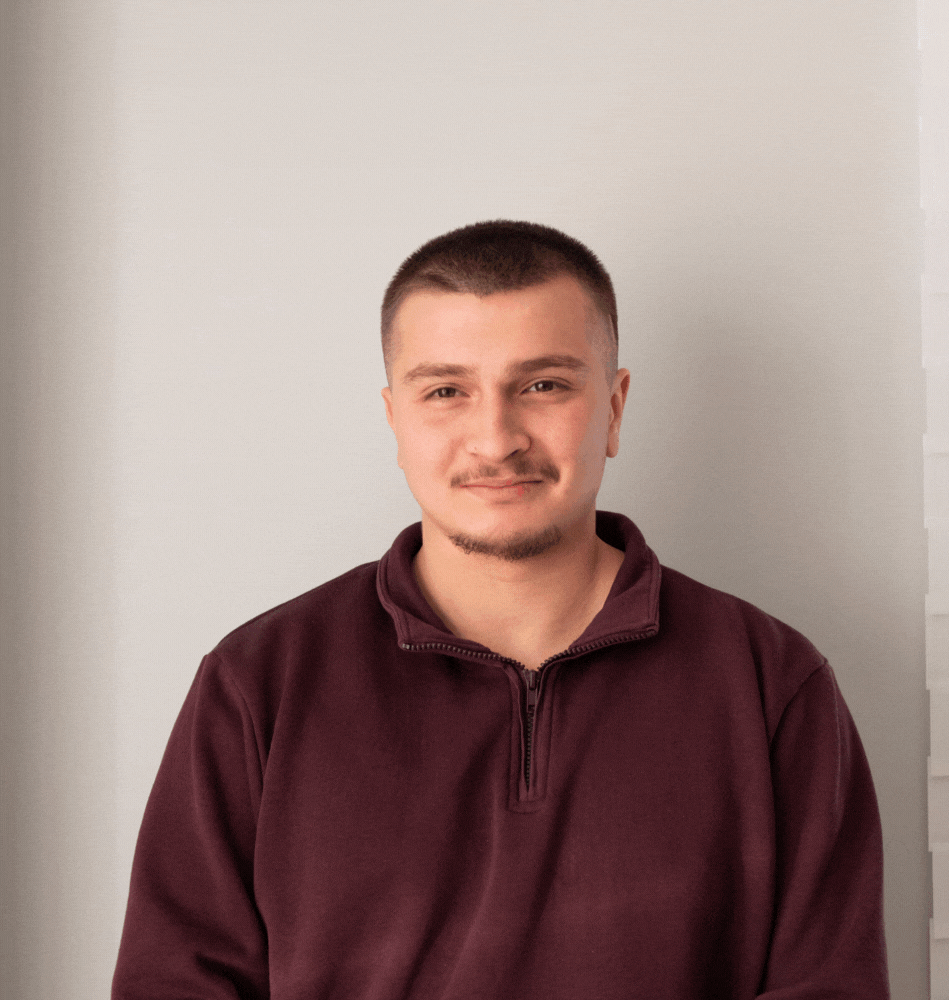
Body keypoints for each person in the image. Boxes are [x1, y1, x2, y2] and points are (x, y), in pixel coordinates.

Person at [112, 220, 891, 999]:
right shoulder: (259, 685)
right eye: (446, 391)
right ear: (395, 419)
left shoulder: (771, 684)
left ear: (615, 409)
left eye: (543, 385)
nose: (495, 440)